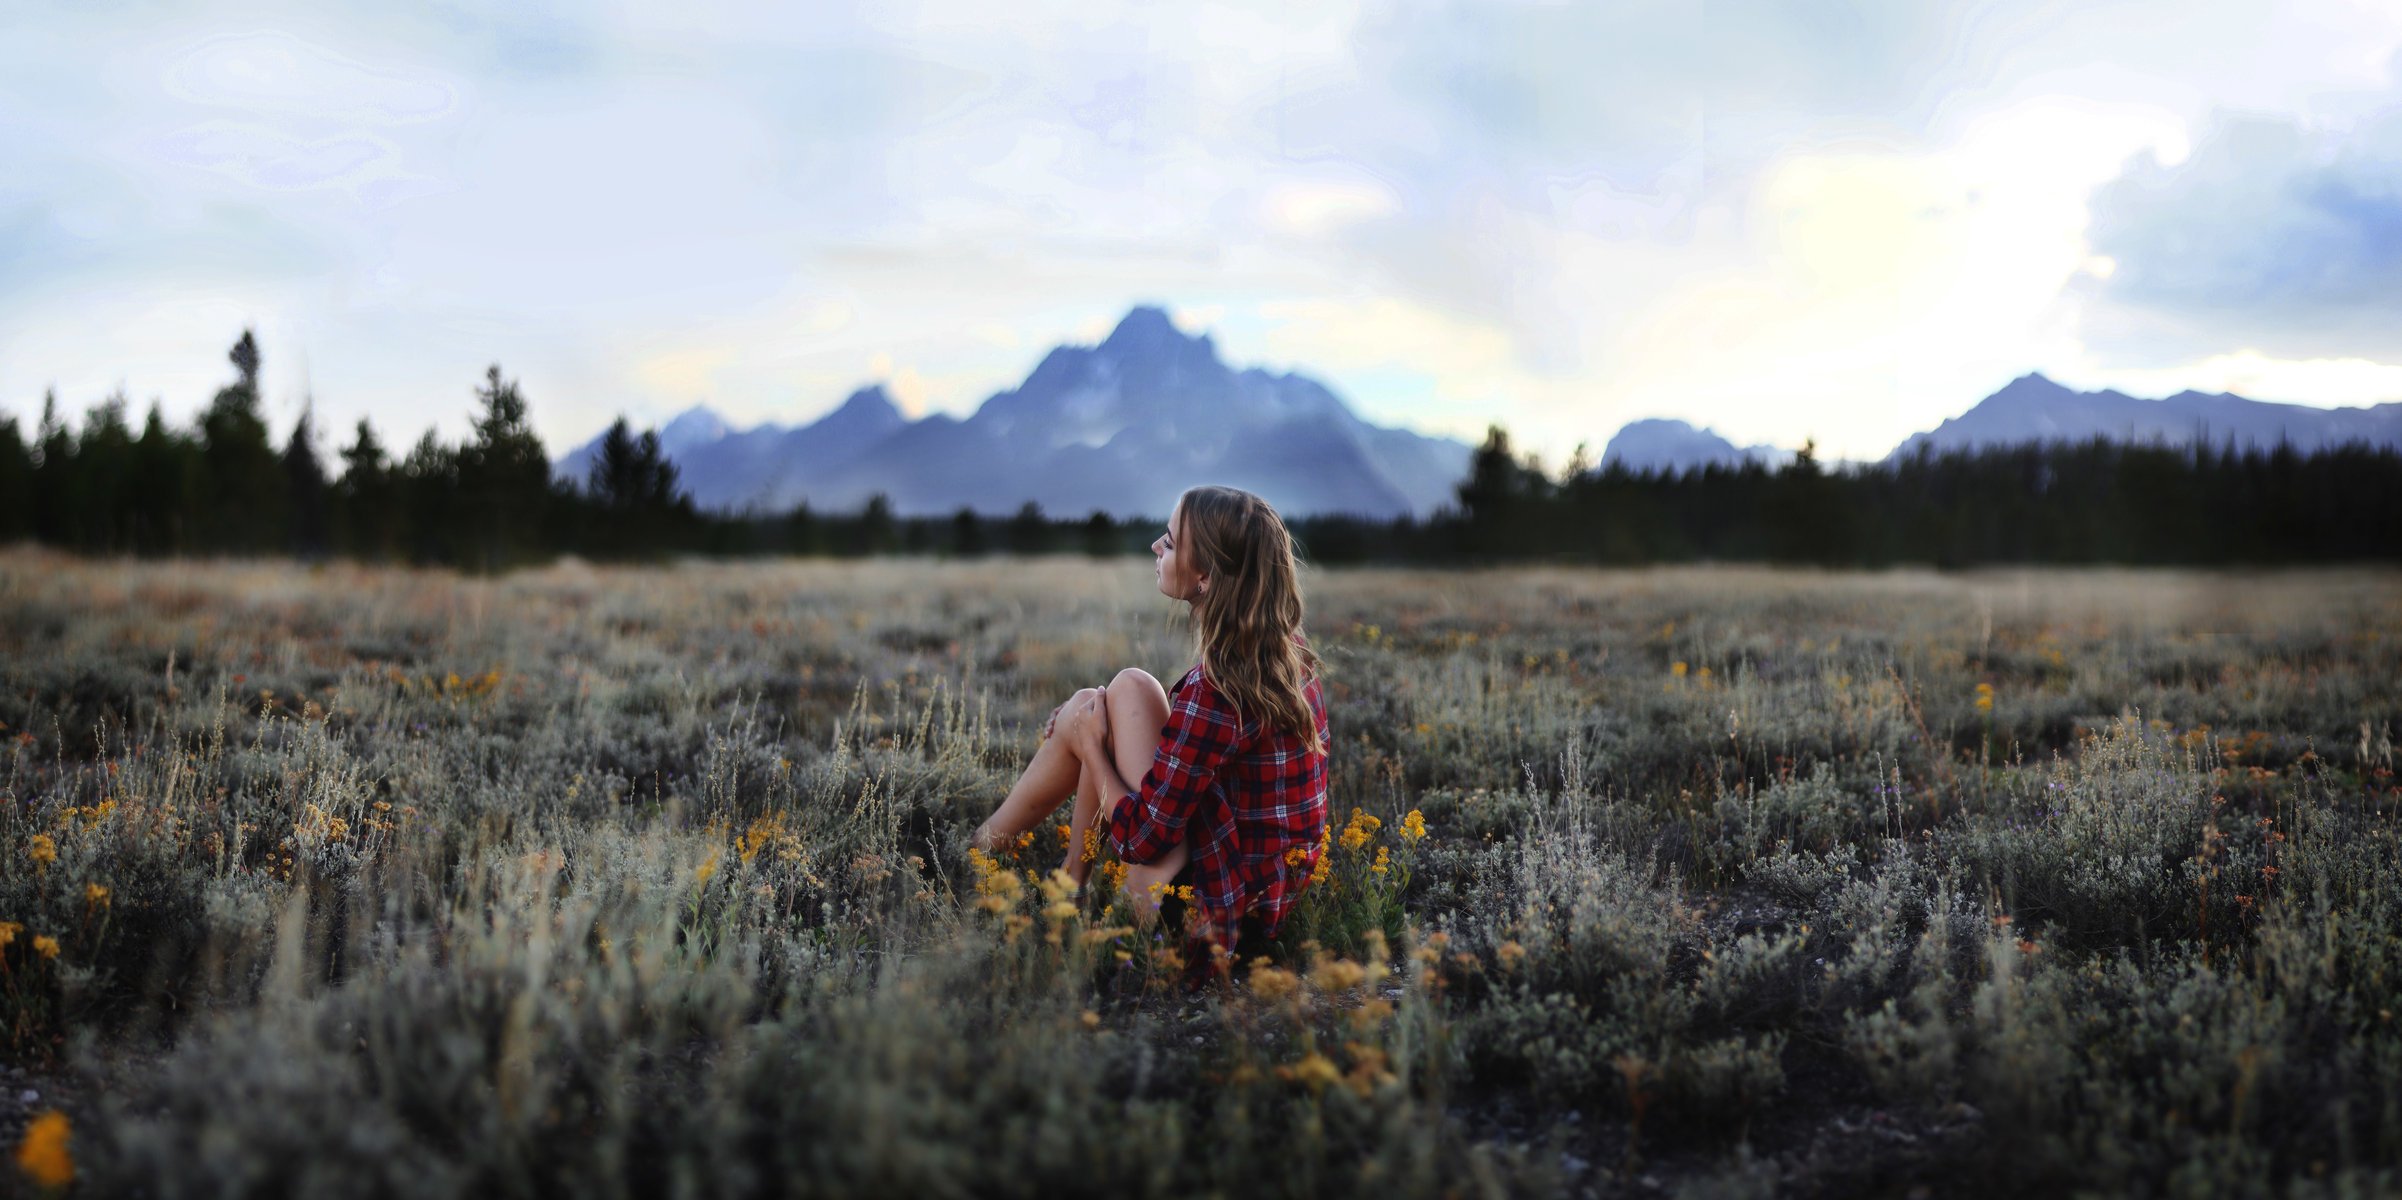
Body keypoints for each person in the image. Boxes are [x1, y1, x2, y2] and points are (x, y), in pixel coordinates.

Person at [973, 484, 1330, 961]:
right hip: (1262, 892)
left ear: (1204, 574)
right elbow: (1189, 745)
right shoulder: (1283, 654)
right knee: (1118, 694)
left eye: (1169, 540)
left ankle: (986, 857)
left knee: (1096, 716)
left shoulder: (1220, 691)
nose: (1156, 548)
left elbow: (1140, 839)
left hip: (1209, 918)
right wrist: (1097, 729)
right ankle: (1062, 878)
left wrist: (1093, 747)